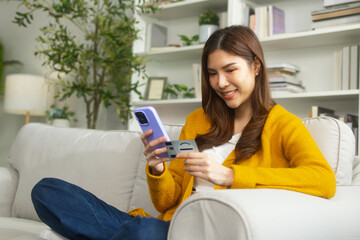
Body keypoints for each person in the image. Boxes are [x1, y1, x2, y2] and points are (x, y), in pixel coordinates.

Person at [31, 25, 336, 240]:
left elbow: (323, 180)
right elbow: (167, 202)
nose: (221, 83)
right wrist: (158, 168)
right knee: (47, 190)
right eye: (212, 73)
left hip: (208, 232)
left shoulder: (283, 125)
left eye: (230, 70)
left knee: (143, 232)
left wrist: (229, 176)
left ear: (255, 66)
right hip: (166, 226)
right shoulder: (198, 121)